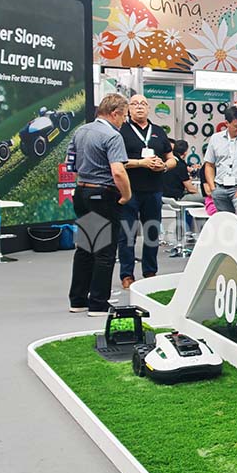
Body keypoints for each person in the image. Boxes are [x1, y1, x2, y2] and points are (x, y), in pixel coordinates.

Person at [68, 93, 132, 316]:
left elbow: (71, 164)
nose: (124, 120)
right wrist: (126, 195)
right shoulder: (112, 136)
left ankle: (78, 300)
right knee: (105, 252)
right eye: (124, 116)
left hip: (82, 192)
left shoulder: (81, 131)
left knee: (85, 247)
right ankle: (98, 303)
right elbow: (118, 171)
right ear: (114, 113)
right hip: (103, 194)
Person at [117, 93, 174, 288]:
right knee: (127, 234)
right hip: (129, 190)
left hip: (154, 190)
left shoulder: (158, 131)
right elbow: (117, 162)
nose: (139, 107)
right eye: (135, 104)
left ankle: (150, 271)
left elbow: (172, 159)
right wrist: (141, 163)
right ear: (128, 109)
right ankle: (127, 274)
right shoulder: (121, 130)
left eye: (143, 104)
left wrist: (164, 166)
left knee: (152, 232)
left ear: (149, 108)